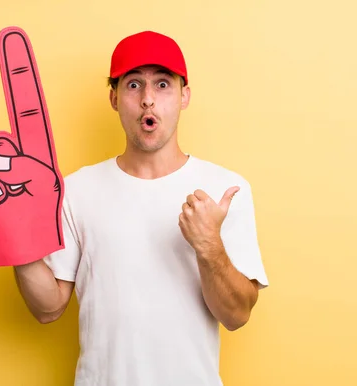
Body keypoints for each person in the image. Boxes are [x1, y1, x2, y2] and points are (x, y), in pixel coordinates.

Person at [13, 30, 269, 386]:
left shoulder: (225, 190)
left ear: (184, 96)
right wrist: (13, 238)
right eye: (134, 85)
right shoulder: (74, 191)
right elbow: (48, 308)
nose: (148, 99)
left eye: (163, 85)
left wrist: (209, 243)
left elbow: (237, 315)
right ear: (114, 98)